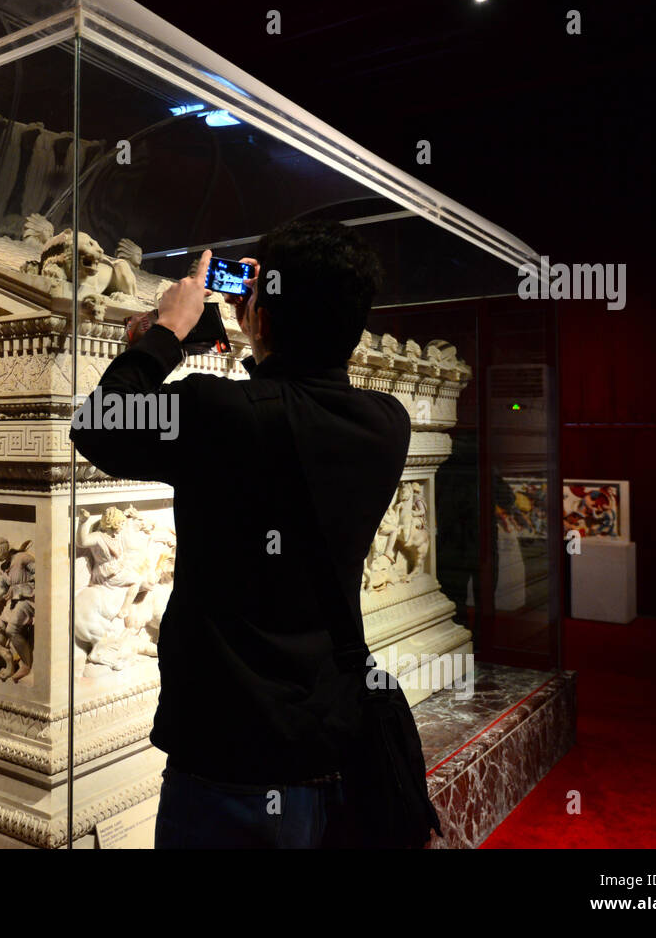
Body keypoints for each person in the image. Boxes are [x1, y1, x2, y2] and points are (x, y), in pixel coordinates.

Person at [69, 219, 409, 848]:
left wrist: (166, 333)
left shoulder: (218, 415)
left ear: (260, 315)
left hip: (231, 754)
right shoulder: (388, 423)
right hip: (334, 734)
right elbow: (286, 408)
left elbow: (99, 423)